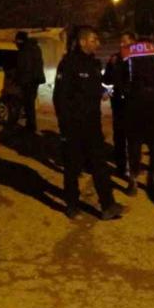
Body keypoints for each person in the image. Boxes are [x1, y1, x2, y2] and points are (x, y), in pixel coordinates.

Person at [53, 26, 124, 220]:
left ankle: (108, 205)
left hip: (92, 123)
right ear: (82, 42)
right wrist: (64, 126)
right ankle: (72, 204)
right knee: (72, 166)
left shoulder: (94, 64)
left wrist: (102, 92)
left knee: (99, 164)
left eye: (98, 40)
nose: (97, 44)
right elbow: (60, 97)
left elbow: (93, 87)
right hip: (73, 125)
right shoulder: (68, 63)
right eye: (94, 40)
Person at [121, 37, 154, 196]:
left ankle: (133, 180)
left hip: (134, 101)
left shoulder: (128, 51)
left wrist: (126, 93)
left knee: (133, 142)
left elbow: (121, 77)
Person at [102, 31, 136, 178]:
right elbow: (106, 80)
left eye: (125, 41)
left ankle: (133, 167)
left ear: (133, 42)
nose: (122, 44)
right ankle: (121, 166)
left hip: (134, 103)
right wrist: (107, 91)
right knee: (119, 134)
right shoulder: (115, 59)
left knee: (133, 136)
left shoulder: (139, 59)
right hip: (118, 103)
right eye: (120, 42)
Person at [14, 31, 46, 133]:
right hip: (34, 80)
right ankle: (30, 124)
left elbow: (24, 67)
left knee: (28, 103)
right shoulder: (35, 48)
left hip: (28, 80)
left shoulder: (25, 50)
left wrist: (19, 80)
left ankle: (31, 126)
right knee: (30, 103)